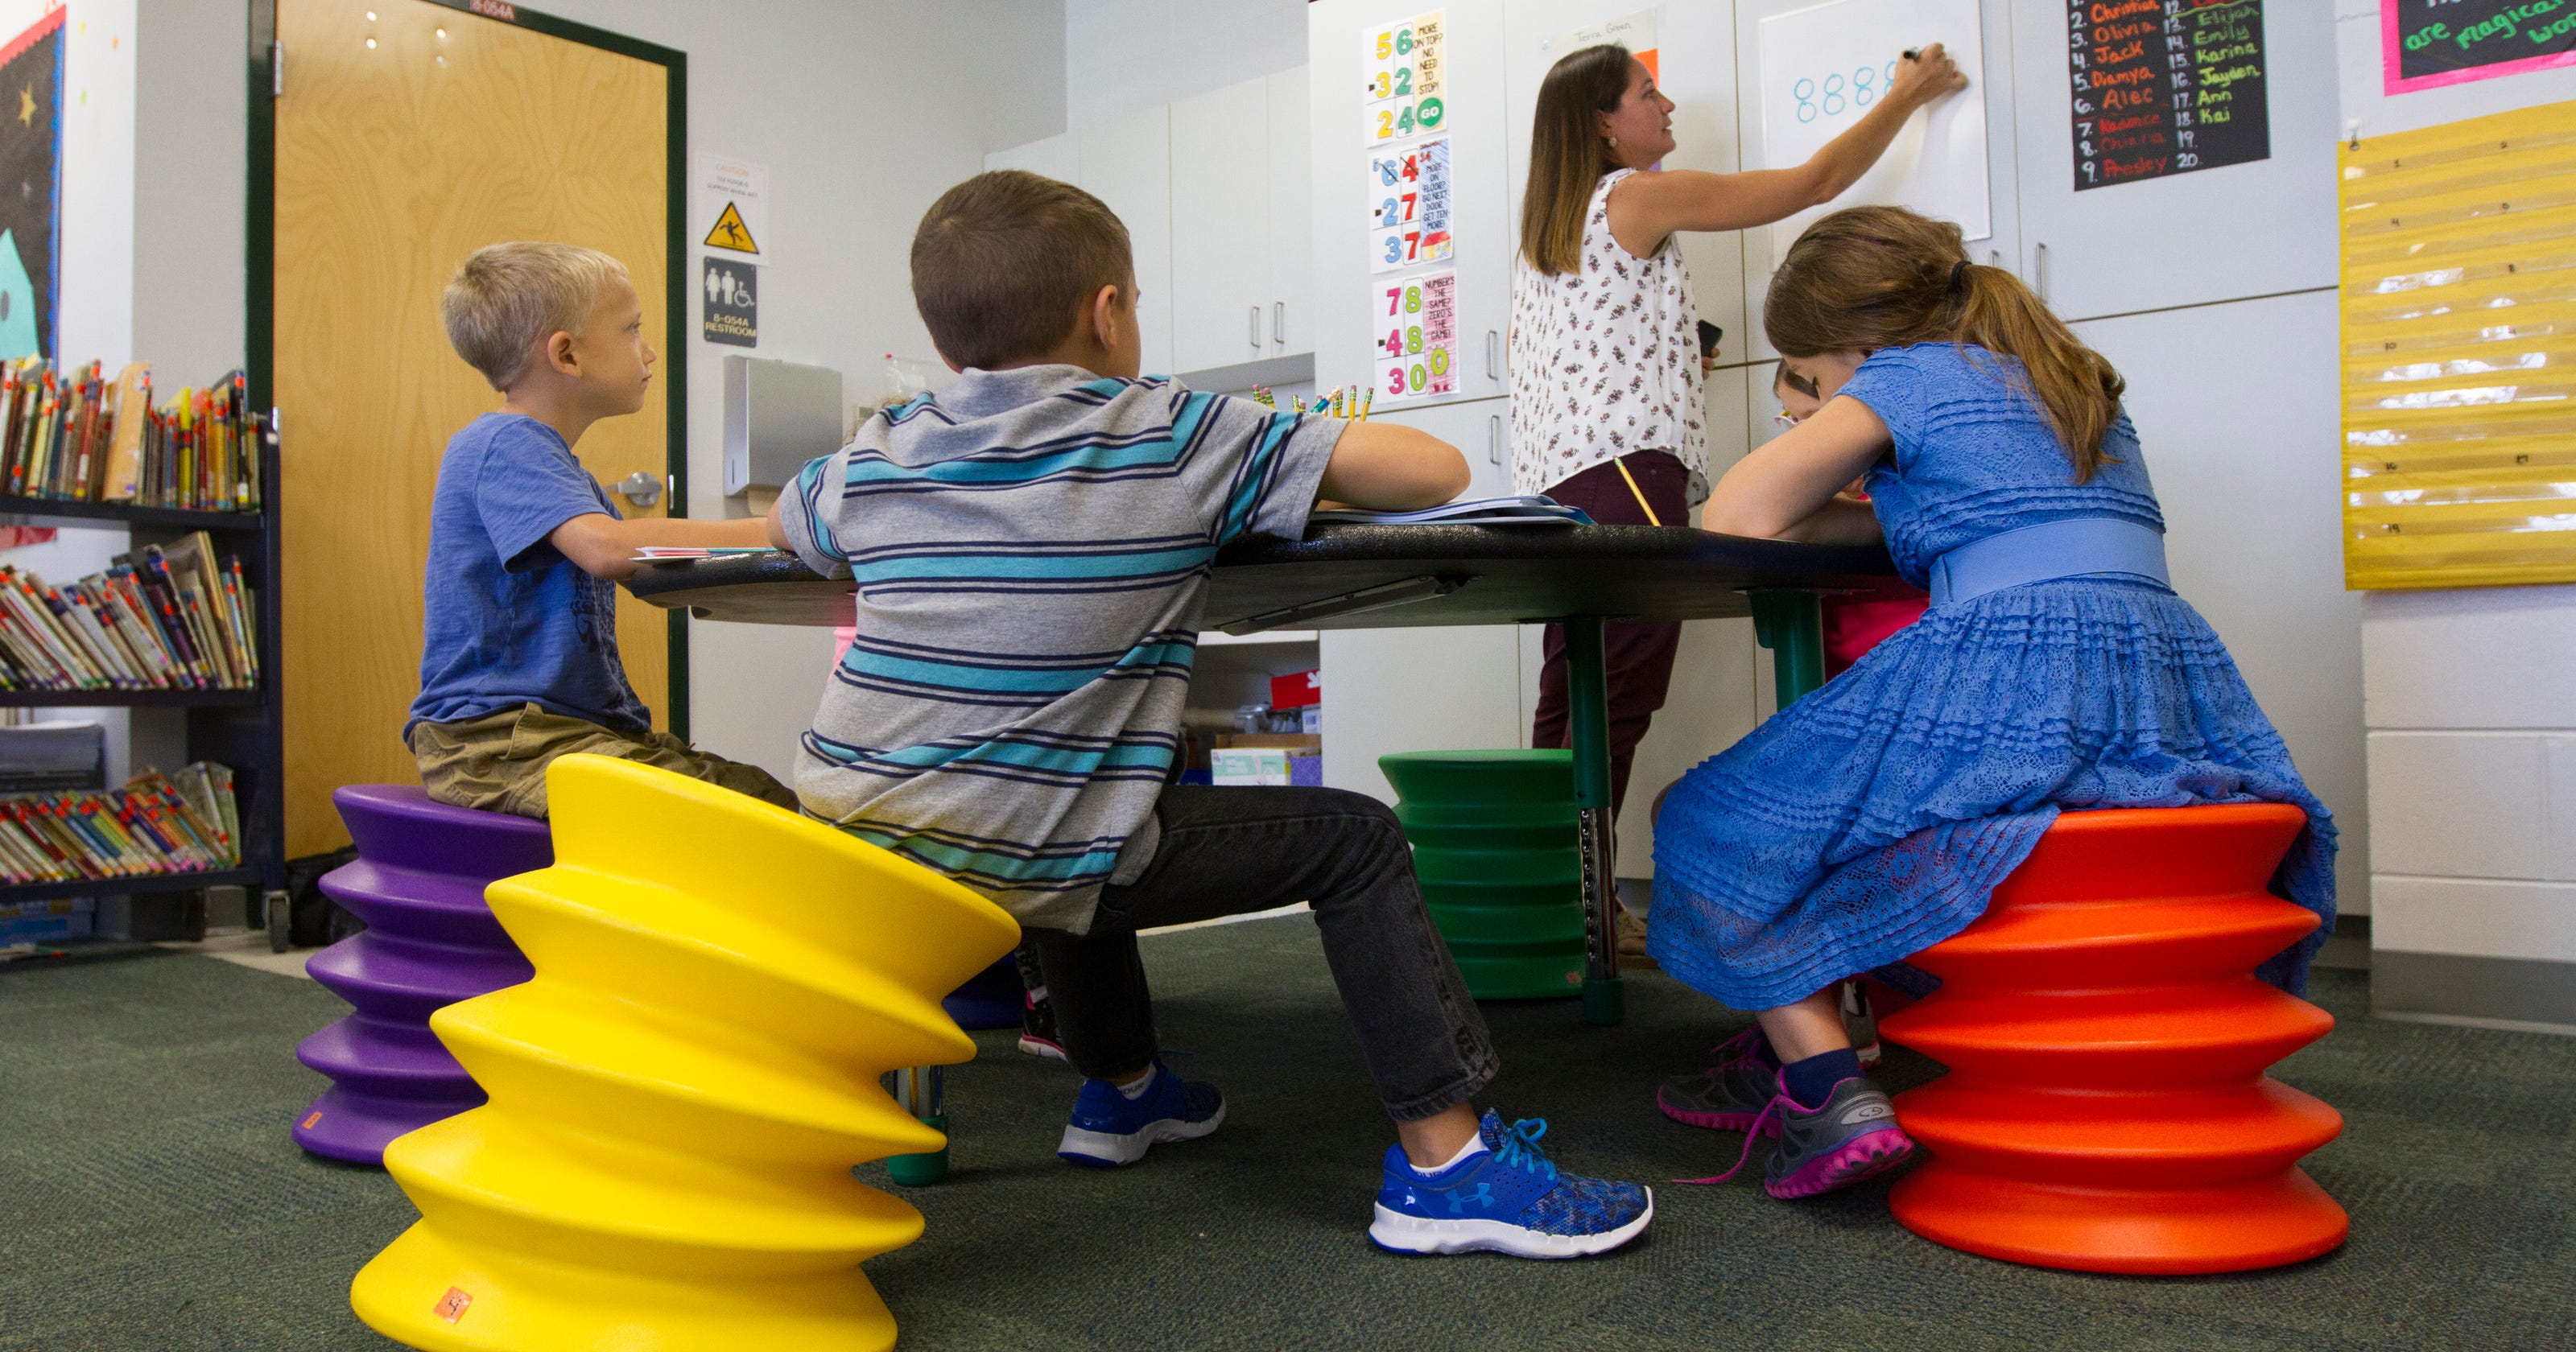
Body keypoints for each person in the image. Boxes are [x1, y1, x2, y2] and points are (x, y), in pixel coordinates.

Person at [767, 171, 1653, 1259]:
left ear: (947, 347)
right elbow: (1436, 467)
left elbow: (789, 524)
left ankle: (1125, 1089)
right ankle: (1448, 1164)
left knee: (1081, 788)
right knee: (1350, 839)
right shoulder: (1177, 430)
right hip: (1031, 846)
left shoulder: (878, 449)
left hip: (857, 847)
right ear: (1108, 312)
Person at [1649, 205, 2336, 1201]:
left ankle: (1823, 1090)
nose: (1809, 396)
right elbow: (1978, 522)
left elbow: (1738, 514)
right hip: (2158, 678)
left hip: (2011, 671)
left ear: (1851, 347)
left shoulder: (1906, 375)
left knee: (1707, 815)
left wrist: (1829, 421)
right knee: (1859, 820)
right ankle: (1792, 1029)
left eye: (1808, 374)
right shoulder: (2064, 377)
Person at [1509, 39, 1967, 818]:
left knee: (1578, 695)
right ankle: (1566, 906)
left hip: (1561, 483)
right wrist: (1906, 95)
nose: (1667, 104)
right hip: (1626, 476)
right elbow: (1810, 184)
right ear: (1603, 125)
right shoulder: (1631, 196)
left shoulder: (1553, 231)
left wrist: (1676, 365)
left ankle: (1548, 903)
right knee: (1617, 696)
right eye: (1647, 92)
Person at [408, 242, 794, 819]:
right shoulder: (504, 444)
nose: (650, 350)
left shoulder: (560, 472)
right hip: (501, 744)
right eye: (632, 329)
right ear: (566, 355)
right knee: (757, 818)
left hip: (555, 736)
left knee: (765, 799)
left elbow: (640, 568)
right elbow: (608, 551)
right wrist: (775, 528)